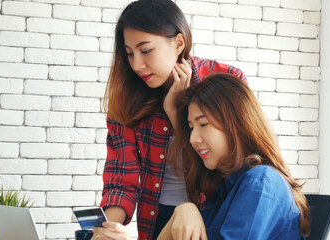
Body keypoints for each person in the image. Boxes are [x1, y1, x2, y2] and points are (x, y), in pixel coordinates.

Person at [91, 0, 247, 239]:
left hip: (210, 215)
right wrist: (108, 230)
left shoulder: (226, 80)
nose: (136, 65)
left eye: (146, 50)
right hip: (156, 218)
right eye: (129, 53)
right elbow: (121, 177)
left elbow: (235, 165)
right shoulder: (126, 98)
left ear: (178, 42)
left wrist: (176, 113)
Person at [157, 73, 311, 239]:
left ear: (236, 123)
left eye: (203, 124)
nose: (193, 139)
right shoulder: (224, 191)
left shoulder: (260, 182)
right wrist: (183, 210)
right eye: (191, 127)